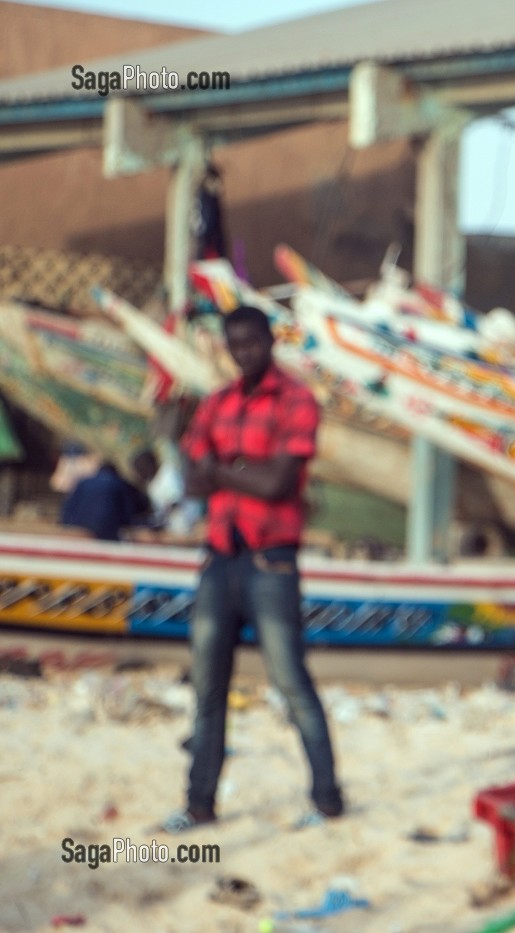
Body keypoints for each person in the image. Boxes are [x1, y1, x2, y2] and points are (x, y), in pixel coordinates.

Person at [162, 305, 343, 832]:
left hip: (271, 562)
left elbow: (279, 485)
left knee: (292, 684)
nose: (244, 354)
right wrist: (238, 470)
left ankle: (328, 799)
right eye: (234, 345)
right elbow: (193, 480)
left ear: (270, 341)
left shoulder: (298, 401)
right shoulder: (217, 402)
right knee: (208, 688)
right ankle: (199, 805)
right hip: (220, 557)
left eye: (252, 343)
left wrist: (220, 468)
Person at [59, 457, 149, 541]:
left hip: (82, 528)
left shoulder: (83, 483)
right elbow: (129, 510)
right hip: (108, 530)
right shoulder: (120, 484)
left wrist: (66, 525)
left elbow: (69, 507)